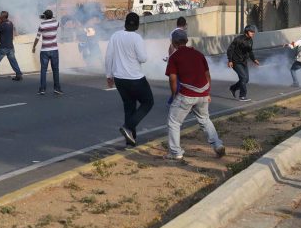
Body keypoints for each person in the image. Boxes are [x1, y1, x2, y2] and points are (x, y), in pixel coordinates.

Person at [164, 29, 225, 163]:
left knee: (174, 122)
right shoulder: (198, 54)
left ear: (173, 43)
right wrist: (207, 93)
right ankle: (217, 145)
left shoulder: (174, 57)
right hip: (203, 94)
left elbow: (173, 79)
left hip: (186, 95)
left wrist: (174, 95)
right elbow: (207, 75)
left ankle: (175, 152)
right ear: (186, 40)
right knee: (205, 120)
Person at [105, 12, 154, 148]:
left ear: (125, 23)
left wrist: (109, 75)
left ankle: (130, 140)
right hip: (135, 78)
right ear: (137, 25)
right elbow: (143, 58)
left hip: (120, 79)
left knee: (129, 107)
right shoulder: (137, 38)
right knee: (148, 102)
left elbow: (108, 56)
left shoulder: (115, 36)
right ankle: (128, 127)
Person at [227, 25, 260, 102]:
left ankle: (233, 88)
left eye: (253, 32)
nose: (253, 33)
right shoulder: (238, 39)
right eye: (251, 32)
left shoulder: (250, 40)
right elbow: (230, 49)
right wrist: (230, 60)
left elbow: (250, 51)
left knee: (246, 79)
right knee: (243, 78)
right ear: (246, 31)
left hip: (244, 62)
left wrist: (254, 59)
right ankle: (242, 96)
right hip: (236, 62)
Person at [32, 9, 62, 95]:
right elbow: (55, 21)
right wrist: (50, 17)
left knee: (43, 70)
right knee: (55, 70)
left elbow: (37, 37)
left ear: (45, 16)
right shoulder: (56, 23)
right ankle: (57, 88)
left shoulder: (42, 25)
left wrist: (34, 47)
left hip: (44, 50)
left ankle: (42, 89)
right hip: (54, 50)